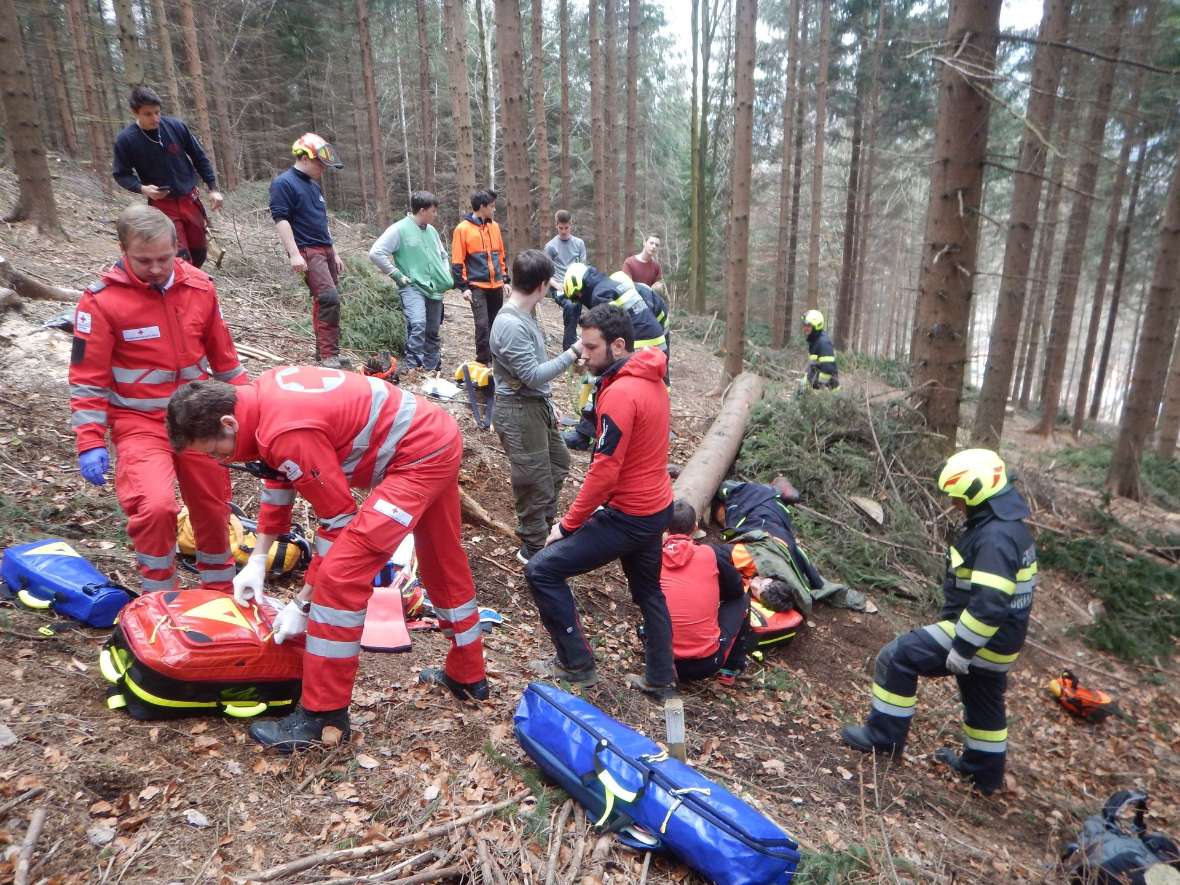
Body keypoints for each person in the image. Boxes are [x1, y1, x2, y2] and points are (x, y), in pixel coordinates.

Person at [166, 365, 489, 752]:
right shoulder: (259, 399)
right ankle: (468, 674)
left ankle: (323, 718)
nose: (219, 460)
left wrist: (303, 603)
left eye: (215, 450)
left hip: (420, 456)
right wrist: (259, 556)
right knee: (441, 558)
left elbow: (338, 522)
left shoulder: (285, 430)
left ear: (227, 422)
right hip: (432, 436)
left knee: (339, 578)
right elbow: (278, 476)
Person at [69, 204, 246, 595]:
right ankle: (158, 597)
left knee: (213, 508)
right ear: (123, 249)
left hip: (201, 418)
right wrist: (90, 441)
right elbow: (88, 380)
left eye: (164, 258)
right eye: (143, 260)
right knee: (156, 507)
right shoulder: (101, 303)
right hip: (140, 421)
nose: (155, 268)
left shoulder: (199, 287)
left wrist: (252, 413)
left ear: (177, 246)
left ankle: (220, 596)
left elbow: (226, 362)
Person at [840, 449, 1037, 796]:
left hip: (979, 635)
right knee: (983, 702)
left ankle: (883, 738)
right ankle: (984, 774)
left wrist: (962, 648)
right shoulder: (1010, 529)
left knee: (897, 656)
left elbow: (989, 605)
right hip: (1003, 641)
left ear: (977, 494)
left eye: (957, 497)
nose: (952, 504)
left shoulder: (995, 538)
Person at [523, 304, 677, 700]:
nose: (583, 355)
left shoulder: (622, 393)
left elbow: (605, 471)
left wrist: (569, 524)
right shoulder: (651, 376)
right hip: (656, 506)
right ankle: (661, 678)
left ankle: (577, 665)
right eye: (582, 346)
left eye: (591, 348)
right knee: (648, 593)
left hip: (630, 514)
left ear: (619, 344)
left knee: (542, 570)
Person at [489, 250, 583, 564]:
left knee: (559, 463)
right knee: (534, 481)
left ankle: (542, 529)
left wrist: (549, 402)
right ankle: (533, 549)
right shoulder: (511, 325)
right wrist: (573, 353)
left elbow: (533, 370)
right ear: (542, 285)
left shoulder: (527, 314)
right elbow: (531, 374)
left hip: (535, 404)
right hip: (517, 411)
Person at [112, 86, 223, 269]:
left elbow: (199, 157)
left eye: (157, 112)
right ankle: (181, 289)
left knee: (199, 251)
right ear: (135, 113)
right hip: (163, 205)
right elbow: (121, 174)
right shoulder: (126, 140)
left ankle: (193, 284)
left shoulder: (176, 127)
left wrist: (213, 188)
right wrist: (142, 188)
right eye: (148, 114)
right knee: (179, 256)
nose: (155, 118)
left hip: (190, 199)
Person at [715, 480, 866, 614]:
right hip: (760, 506)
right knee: (725, 489)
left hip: (779, 523)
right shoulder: (754, 556)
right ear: (771, 578)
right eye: (761, 582)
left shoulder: (792, 586)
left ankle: (778, 494)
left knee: (723, 516)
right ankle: (775, 490)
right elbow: (712, 554)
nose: (755, 583)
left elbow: (816, 588)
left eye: (757, 589)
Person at [560, 263, 667, 450]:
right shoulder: (608, 284)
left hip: (639, 340)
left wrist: (586, 356)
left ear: (579, 287)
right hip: (653, 339)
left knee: (598, 378)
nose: (580, 300)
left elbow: (606, 331)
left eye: (577, 296)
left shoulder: (599, 294)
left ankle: (585, 434)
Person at [269, 133, 346, 368]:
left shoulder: (313, 186)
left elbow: (320, 221)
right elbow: (281, 219)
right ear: (304, 157)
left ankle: (324, 353)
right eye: (319, 162)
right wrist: (293, 254)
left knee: (324, 300)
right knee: (327, 299)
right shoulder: (284, 183)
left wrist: (334, 251)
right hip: (307, 249)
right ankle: (328, 356)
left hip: (324, 248)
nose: (323, 168)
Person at [660, 500, 749, 684]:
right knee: (743, 599)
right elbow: (736, 589)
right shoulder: (709, 554)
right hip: (704, 665)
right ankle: (729, 670)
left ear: (666, 528)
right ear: (695, 527)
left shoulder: (652, 557)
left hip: (658, 660)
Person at [368, 191, 453, 374]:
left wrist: (445, 273)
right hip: (412, 286)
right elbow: (376, 252)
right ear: (422, 210)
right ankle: (412, 365)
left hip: (435, 288)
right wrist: (396, 274)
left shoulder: (431, 231)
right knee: (418, 324)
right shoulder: (399, 229)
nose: (435, 214)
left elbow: (443, 255)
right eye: (433, 210)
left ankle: (431, 367)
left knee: (432, 329)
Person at [451, 189, 508, 365]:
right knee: (482, 324)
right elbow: (457, 261)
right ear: (482, 207)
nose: (494, 209)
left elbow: (500, 255)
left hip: (496, 284)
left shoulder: (495, 227)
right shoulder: (462, 229)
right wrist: (464, 287)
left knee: (496, 323)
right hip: (476, 285)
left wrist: (505, 278)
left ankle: (496, 360)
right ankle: (483, 361)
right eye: (491, 206)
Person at [544, 210, 588, 350]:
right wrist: (557, 285)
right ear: (556, 226)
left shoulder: (579, 243)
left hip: (576, 285)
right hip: (558, 286)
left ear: (571, 225)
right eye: (560, 228)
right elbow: (545, 273)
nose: (563, 231)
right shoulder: (550, 246)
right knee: (571, 306)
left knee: (577, 304)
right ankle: (569, 346)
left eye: (566, 228)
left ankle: (576, 343)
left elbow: (583, 267)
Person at [801, 309, 839, 390]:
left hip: (828, 393)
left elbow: (828, 371)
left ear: (816, 326)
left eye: (808, 325)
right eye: (804, 325)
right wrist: (807, 379)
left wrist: (815, 385)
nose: (805, 328)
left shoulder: (823, 343)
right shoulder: (814, 340)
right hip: (819, 387)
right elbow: (815, 366)